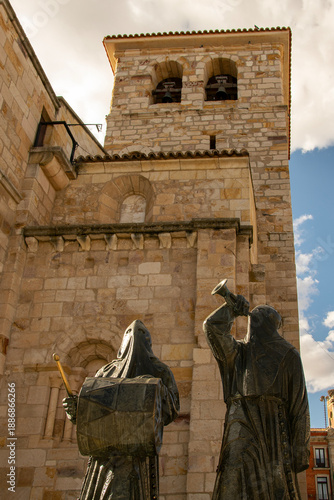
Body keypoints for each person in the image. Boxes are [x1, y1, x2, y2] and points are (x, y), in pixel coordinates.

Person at [203, 285, 310, 500]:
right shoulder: (238, 352)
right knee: (232, 484)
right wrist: (230, 309)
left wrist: (300, 448)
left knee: (272, 486)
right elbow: (212, 328)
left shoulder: (289, 354)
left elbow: (299, 406)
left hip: (273, 427)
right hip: (240, 424)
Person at [63, 319, 179, 500]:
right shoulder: (106, 371)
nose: (134, 338)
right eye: (129, 334)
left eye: (141, 335)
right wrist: (75, 410)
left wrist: (156, 391)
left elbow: (171, 409)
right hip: (104, 455)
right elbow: (90, 411)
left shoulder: (159, 371)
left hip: (138, 454)